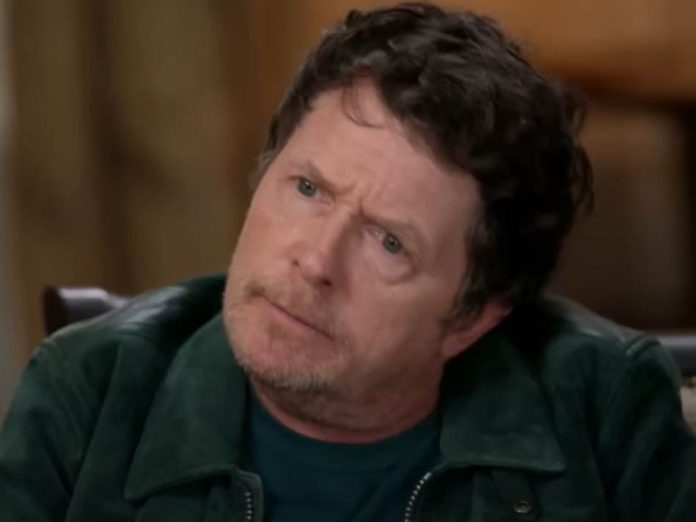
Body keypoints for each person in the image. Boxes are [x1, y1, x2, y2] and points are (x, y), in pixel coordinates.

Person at [1, 2, 695, 521]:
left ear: (472, 317)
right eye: (307, 189)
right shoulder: (87, 396)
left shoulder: (606, 413)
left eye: (389, 242)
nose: (313, 260)